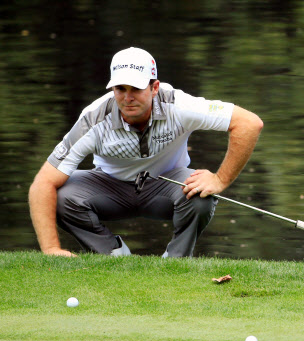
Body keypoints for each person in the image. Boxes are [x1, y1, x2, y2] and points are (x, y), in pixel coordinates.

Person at [29, 47, 263, 257]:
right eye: (120, 89)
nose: (127, 98)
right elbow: (42, 183)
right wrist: (52, 249)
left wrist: (220, 179)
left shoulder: (179, 105)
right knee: (59, 196)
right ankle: (113, 257)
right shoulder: (92, 119)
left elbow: (249, 123)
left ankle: (175, 263)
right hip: (109, 187)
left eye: (136, 89)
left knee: (202, 195)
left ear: (154, 87)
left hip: (167, 186)